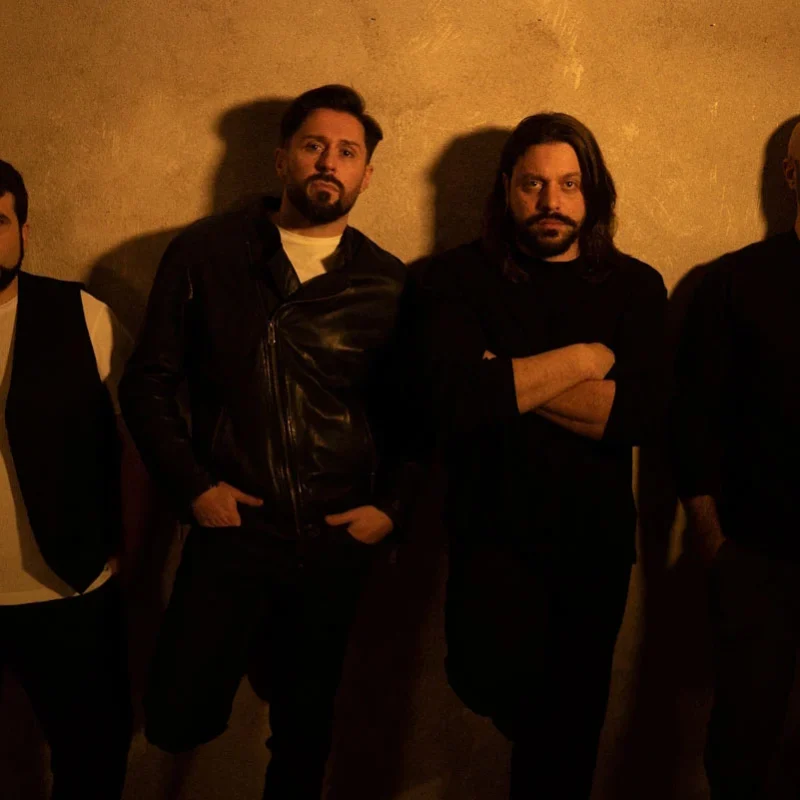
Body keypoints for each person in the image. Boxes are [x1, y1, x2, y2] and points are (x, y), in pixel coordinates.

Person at [119, 85, 416, 799]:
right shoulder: (207, 253)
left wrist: (391, 507)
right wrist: (194, 488)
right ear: (283, 159)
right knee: (174, 715)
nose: (329, 162)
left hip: (332, 539)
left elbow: (414, 412)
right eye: (314, 146)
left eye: (348, 152)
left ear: (367, 174)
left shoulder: (386, 283)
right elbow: (148, 383)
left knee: (304, 732)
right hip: (234, 531)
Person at [420, 113, 667, 798]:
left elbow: (639, 416)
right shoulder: (454, 279)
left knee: (565, 746)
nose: (550, 202)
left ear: (594, 193)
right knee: (480, 681)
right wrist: (583, 360)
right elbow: (451, 399)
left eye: (568, 184)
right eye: (533, 184)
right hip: (489, 540)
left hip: (591, 551)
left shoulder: (635, 286)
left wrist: (502, 375)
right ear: (507, 189)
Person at [673, 121, 800, 799]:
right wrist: (713, 540)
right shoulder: (735, 281)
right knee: (743, 747)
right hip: (759, 557)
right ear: (790, 175)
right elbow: (692, 421)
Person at [0, 159, 132, 799]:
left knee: (92, 758)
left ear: (24, 231)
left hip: (67, 587)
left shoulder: (82, 314)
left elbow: (142, 439)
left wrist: (127, 545)